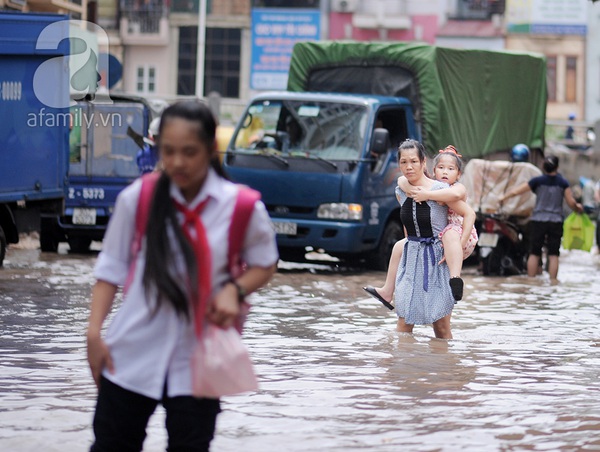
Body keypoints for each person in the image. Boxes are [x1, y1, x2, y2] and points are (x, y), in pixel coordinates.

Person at [86, 100, 279, 451]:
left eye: (189, 152)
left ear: (210, 149)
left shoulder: (242, 206)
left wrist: (234, 290)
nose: (177, 162)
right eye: (168, 151)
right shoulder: (138, 199)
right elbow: (110, 270)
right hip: (130, 352)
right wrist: (93, 333)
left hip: (200, 357)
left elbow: (266, 262)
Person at [369, 139, 460, 339]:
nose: (408, 167)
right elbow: (407, 224)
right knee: (404, 322)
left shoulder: (439, 190)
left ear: (423, 162)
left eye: (413, 161)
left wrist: (456, 247)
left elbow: (466, 210)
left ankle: (447, 369)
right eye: (403, 162)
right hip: (411, 260)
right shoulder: (400, 190)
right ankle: (401, 368)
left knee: (441, 327)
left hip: (437, 260)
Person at [364, 145, 477, 305]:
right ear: (433, 170)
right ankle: (387, 291)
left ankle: (455, 279)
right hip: (443, 237)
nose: (445, 172)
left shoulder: (450, 189)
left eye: (451, 169)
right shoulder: (429, 187)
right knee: (399, 246)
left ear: (458, 174)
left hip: (460, 236)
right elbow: (402, 181)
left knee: (450, 234)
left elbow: (466, 207)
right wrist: (410, 188)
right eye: (441, 168)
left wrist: (428, 195)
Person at [499, 154, 583, 280]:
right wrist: (578, 208)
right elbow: (571, 203)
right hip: (555, 221)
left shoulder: (537, 181)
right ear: (557, 167)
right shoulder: (563, 182)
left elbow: (517, 191)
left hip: (538, 220)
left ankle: (532, 281)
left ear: (544, 167)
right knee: (554, 254)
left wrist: (503, 198)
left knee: (534, 252)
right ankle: (553, 282)